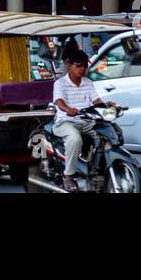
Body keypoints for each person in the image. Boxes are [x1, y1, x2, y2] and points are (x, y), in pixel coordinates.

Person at [52, 49, 108, 192]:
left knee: (106, 135)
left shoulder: (88, 82)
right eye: (79, 65)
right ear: (70, 65)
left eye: (84, 66)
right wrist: (68, 109)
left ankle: (97, 170)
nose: (82, 69)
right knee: (75, 139)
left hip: (86, 121)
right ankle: (68, 176)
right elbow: (59, 101)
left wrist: (107, 106)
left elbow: (96, 100)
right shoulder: (60, 83)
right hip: (65, 122)